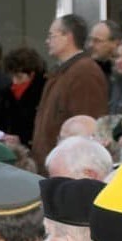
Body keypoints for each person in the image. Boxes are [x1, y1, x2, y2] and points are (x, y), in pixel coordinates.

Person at [32, 14, 109, 169]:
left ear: (68, 37)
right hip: (53, 167)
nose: (47, 41)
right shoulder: (63, 72)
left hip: (70, 169)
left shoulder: (84, 73)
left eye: (51, 36)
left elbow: (87, 124)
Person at [0, 45, 46, 148]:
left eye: (19, 77)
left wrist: (23, 139)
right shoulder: (7, 92)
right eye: (12, 77)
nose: (15, 81)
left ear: (32, 74)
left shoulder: (44, 91)